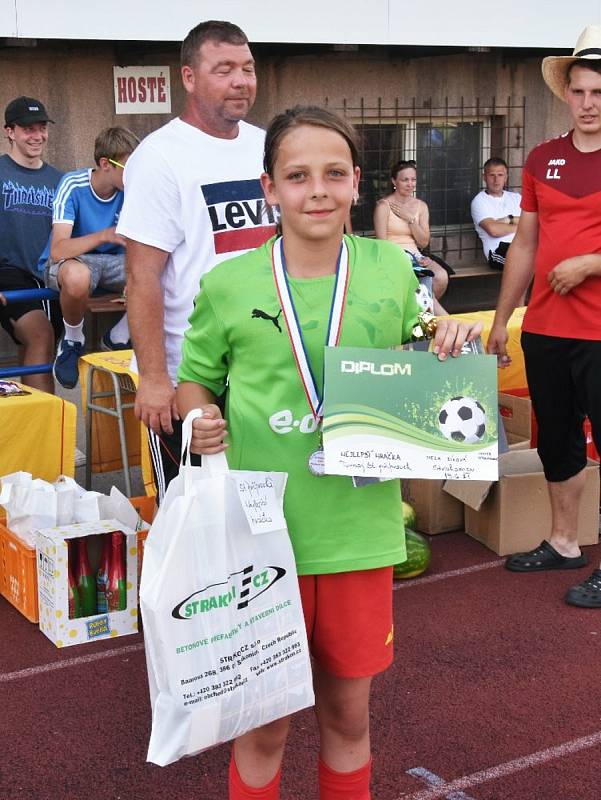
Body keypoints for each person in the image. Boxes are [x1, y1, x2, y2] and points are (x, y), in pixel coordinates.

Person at [176, 105, 481, 800]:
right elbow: (195, 382)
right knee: (264, 727)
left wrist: (448, 342)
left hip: (357, 533)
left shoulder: (387, 267)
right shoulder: (228, 283)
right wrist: (200, 417)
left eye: (334, 173)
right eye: (297, 175)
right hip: (261, 541)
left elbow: (429, 337)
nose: (317, 189)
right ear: (268, 188)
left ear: (355, 185)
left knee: (346, 715)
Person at [117, 19, 276, 502]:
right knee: (198, 519)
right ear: (189, 77)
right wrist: (155, 379)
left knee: (267, 509)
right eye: (224, 69)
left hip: (270, 367)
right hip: (196, 378)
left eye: (247, 68)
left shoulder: (268, 144)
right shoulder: (160, 157)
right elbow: (142, 277)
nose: (241, 81)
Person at [487, 24, 601, 608]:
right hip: (546, 329)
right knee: (558, 440)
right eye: (580, 91)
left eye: (599, 93)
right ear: (567, 93)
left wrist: (591, 263)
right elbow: (524, 245)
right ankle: (563, 543)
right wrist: (502, 320)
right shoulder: (542, 159)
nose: (588, 104)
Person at [41, 126, 139, 389]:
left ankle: (119, 336)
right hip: (77, 260)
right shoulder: (74, 185)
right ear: (106, 164)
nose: (137, 174)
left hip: (117, 263)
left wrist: (138, 272)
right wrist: (104, 235)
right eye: (130, 167)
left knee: (168, 270)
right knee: (77, 276)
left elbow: (145, 243)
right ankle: (72, 340)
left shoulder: (135, 188)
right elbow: (58, 250)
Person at [0, 96, 62, 393]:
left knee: (38, 348)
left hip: (48, 276)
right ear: (9, 131)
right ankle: (48, 429)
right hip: (8, 272)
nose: (37, 135)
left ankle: (29, 423)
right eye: (27, 129)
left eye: (41, 128)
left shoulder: (60, 181)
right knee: (40, 336)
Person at [373, 159, 451, 307]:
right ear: (394, 181)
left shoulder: (421, 206)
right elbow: (382, 245)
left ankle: (419, 312)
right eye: (405, 180)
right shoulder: (384, 206)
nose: (410, 184)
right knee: (419, 283)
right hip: (393, 256)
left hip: (416, 255)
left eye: (413, 180)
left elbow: (423, 242)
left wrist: (410, 219)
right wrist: (406, 259)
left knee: (441, 276)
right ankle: (427, 317)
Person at [470, 157, 522, 269]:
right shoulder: (479, 201)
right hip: (498, 251)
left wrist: (508, 220)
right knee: (525, 263)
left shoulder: (517, 198)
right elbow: (493, 230)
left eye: (500, 175)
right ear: (484, 177)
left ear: (506, 177)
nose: (496, 180)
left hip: (523, 247)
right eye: (492, 175)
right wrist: (522, 226)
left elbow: (534, 222)